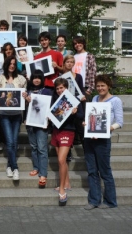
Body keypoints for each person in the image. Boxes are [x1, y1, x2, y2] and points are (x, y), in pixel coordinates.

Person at [83, 75, 123, 210]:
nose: (100, 88)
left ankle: (110, 201)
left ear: (109, 86)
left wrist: (105, 129)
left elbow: (119, 122)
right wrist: (86, 124)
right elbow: (92, 118)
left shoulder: (115, 100)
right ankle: (94, 200)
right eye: (98, 86)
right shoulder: (94, 99)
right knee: (92, 170)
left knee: (105, 171)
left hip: (103, 141)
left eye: (102, 85)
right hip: (90, 139)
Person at [50, 78, 84, 206]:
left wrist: (75, 112)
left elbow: (81, 116)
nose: (59, 90)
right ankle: (67, 183)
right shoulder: (55, 99)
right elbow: (53, 114)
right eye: (57, 88)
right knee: (61, 161)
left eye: (61, 88)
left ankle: (62, 189)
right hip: (56, 131)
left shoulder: (74, 99)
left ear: (66, 87)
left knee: (60, 160)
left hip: (68, 131)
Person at [0, 56, 27, 180]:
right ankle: (15, 168)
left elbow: (25, 98)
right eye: (10, 63)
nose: (12, 66)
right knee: (10, 142)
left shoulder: (22, 79)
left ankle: (9, 166)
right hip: (4, 115)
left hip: (17, 115)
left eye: (14, 64)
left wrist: (25, 95)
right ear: (6, 65)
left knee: (14, 142)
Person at [22, 70, 52, 188]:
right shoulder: (27, 92)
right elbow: (25, 108)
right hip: (30, 122)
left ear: (42, 79)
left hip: (42, 122)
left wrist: (32, 101)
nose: (36, 80)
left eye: (39, 78)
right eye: (34, 78)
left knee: (42, 148)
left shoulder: (47, 91)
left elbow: (47, 106)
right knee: (34, 147)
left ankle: (43, 173)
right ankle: (36, 168)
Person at [63, 55, 86, 153]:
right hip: (66, 105)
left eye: (72, 62)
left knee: (81, 129)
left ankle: (87, 152)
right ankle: (68, 154)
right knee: (67, 130)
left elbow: (81, 90)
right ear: (64, 63)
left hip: (78, 105)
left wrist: (83, 96)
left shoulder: (78, 76)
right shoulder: (60, 77)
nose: (69, 63)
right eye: (68, 61)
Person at [72, 35, 96, 100]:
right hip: (73, 87)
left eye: (79, 42)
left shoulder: (89, 56)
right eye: (75, 44)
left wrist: (89, 90)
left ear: (83, 43)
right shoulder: (73, 57)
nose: (77, 45)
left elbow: (92, 73)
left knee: (85, 109)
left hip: (85, 87)